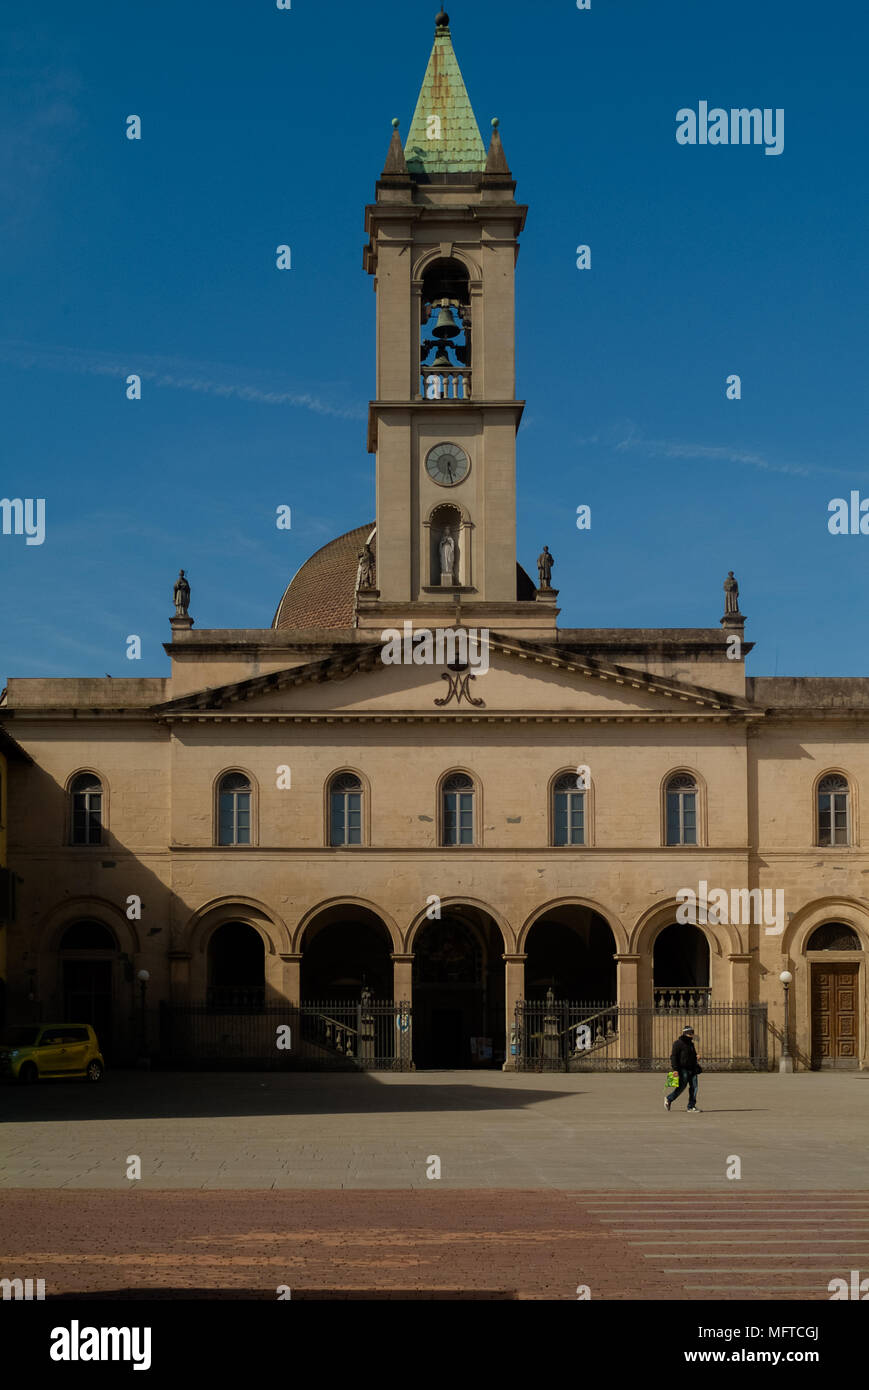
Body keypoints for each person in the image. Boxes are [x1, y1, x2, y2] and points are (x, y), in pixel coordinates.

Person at [664, 1025, 703, 1112]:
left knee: (694, 1087)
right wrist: (675, 1069)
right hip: (682, 1068)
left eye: (692, 1032)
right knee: (682, 1086)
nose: (692, 1034)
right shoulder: (678, 1043)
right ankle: (669, 1099)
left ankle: (691, 1106)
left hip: (692, 1068)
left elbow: (691, 1055)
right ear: (685, 1033)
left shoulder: (691, 1044)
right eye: (690, 1033)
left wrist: (696, 1056)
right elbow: (673, 1057)